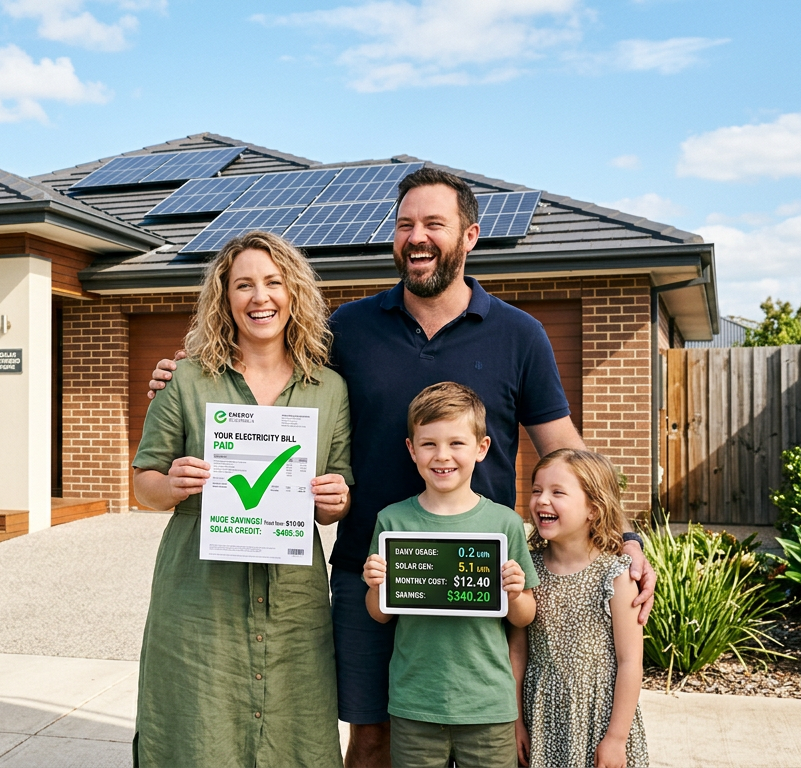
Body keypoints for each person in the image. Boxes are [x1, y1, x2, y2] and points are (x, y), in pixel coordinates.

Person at [150, 167, 656, 767]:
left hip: (474, 573)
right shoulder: (349, 329)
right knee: (371, 737)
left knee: (480, 733)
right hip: (372, 570)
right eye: (405, 223)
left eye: (434, 224)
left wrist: (619, 531)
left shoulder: (521, 335)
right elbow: (271, 361)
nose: (417, 237)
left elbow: (565, 450)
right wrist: (186, 370)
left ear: (470, 236)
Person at [131, 230, 355, 767]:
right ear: (223, 298)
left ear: (294, 293)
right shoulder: (187, 380)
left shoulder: (328, 388)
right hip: (199, 594)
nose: (261, 297)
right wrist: (172, 483)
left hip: (293, 598)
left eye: (274, 283)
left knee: (293, 730)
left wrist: (334, 498)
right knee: (199, 729)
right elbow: (144, 482)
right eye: (244, 285)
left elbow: (337, 493)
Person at [362, 382, 537, 768]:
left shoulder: (504, 524)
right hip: (415, 702)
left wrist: (516, 592)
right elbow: (380, 613)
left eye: (456, 443)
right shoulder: (393, 522)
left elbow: (524, 617)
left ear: (482, 448)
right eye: (429, 444)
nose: (442, 456)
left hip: (488, 704)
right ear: (411, 449)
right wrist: (376, 584)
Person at [510, 449, 648, 768]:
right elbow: (517, 652)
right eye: (536, 491)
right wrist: (516, 720)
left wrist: (616, 738)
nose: (542, 500)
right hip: (539, 713)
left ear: (593, 509)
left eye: (557, 492)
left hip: (599, 718)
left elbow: (630, 662)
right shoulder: (526, 570)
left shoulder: (616, 575)